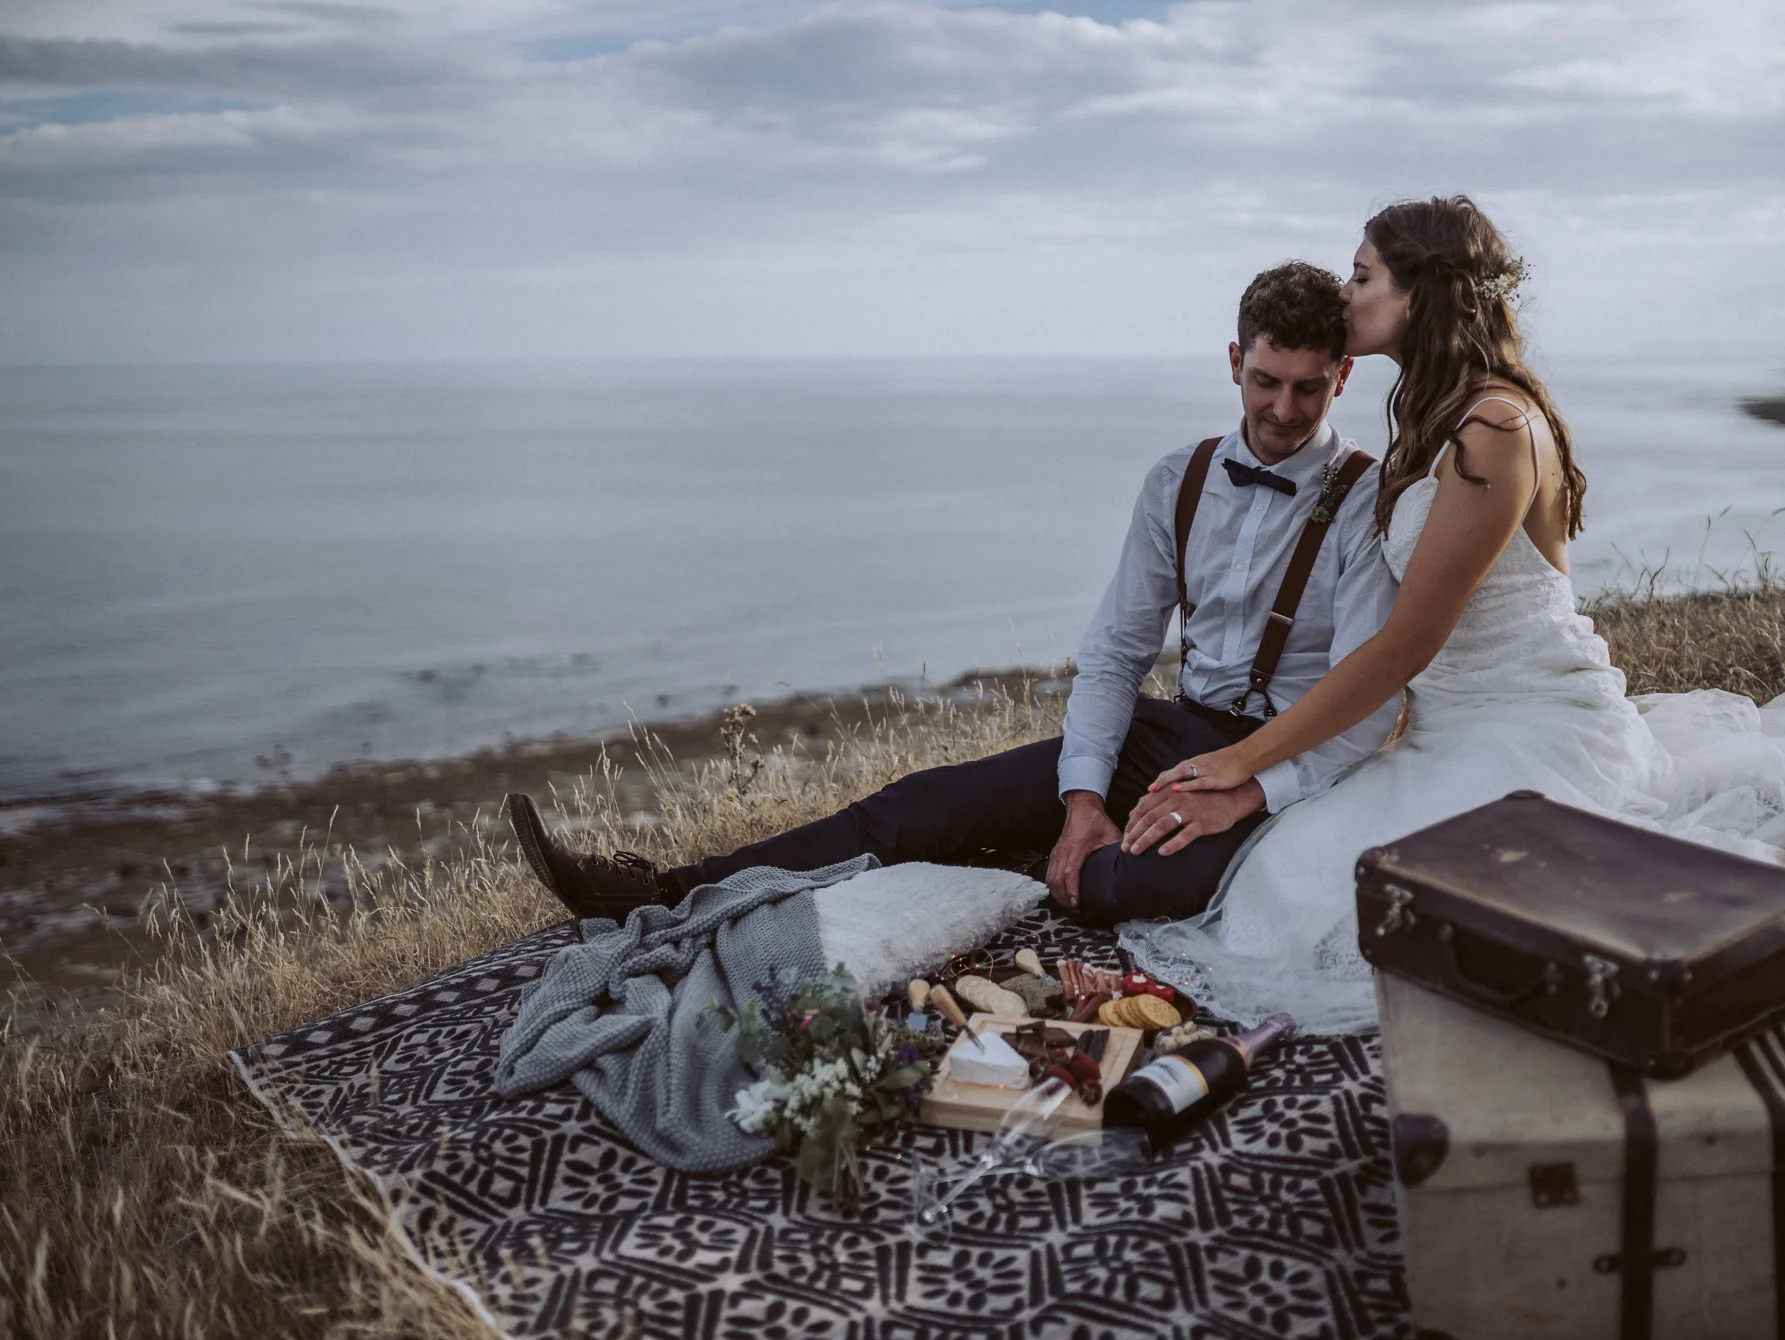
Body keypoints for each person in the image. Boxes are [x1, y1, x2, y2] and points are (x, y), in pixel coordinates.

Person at [1119, 195, 1785, 1034]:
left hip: (1532, 726)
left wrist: (1238, 759)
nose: (1346, 290)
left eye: (1363, 275)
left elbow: (1404, 647)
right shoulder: (1434, 414)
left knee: (1326, 894)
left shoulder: (1494, 430)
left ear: (1420, 294)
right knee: (1291, 877)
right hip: (1447, 727)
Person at [506, 261, 1404, 928]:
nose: (1284, 409)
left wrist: (1247, 790)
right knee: (918, 805)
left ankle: (1037, 864)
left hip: (1285, 762)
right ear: (1234, 360)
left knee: (1151, 887)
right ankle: (662, 888)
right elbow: (1117, 654)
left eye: (1308, 388)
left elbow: (1366, 707)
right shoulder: (1182, 476)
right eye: (1265, 381)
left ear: (1344, 377)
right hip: (1171, 738)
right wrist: (1086, 799)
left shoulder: (1369, 498)